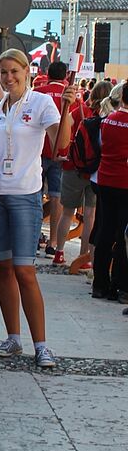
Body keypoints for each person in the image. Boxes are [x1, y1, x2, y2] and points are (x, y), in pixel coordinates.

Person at [0, 48, 76, 368]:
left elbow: (60, 143)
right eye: (4, 72)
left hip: (25, 195)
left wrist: (68, 111)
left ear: (27, 72)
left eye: (14, 71)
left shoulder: (41, 102)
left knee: (25, 270)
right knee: (3, 267)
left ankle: (42, 345)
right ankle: (13, 337)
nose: (9, 77)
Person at [56, 81, 112, 269]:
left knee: (67, 212)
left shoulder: (80, 111)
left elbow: (65, 126)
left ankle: (59, 251)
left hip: (73, 166)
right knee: (90, 215)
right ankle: (84, 255)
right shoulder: (109, 117)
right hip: (96, 171)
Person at [90, 82, 128, 301]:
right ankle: (121, 286)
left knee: (105, 231)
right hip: (124, 182)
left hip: (105, 179)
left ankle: (100, 284)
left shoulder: (108, 120)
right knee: (123, 236)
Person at [34, 61, 69, 260]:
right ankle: (53, 243)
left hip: (39, 150)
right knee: (56, 197)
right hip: (60, 152)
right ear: (65, 75)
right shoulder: (70, 94)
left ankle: (35, 238)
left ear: (48, 74)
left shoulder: (38, 93)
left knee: (36, 196)